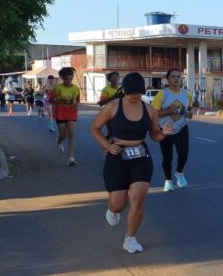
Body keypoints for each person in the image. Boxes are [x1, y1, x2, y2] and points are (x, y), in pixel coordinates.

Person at [91, 72, 172, 253]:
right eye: (131, 93)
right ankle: (113, 210)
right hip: (117, 155)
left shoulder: (149, 110)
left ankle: (130, 238)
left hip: (140, 156)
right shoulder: (112, 107)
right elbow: (95, 128)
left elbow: (155, 135)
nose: (134, 96)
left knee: (138, 199)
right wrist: (107, 146)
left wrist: (164, 133)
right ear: (124, 91)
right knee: (118, 204)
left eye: (138, 92)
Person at [152, 68, 194, 191]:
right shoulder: (162, 94)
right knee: (167, 157)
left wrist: (189, 113)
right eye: (173, 77)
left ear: (181, 79)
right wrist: (168, 112)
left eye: (178, 76)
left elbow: (189, 109)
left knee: (183, 153)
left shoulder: (187, 94)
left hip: (181, 128)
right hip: (165, 129)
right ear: (168, 79)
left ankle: (179, 172)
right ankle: (168, 181)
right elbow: (154, 113)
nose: (176, 79)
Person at [52, 67, 81, 166]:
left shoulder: (76, 88)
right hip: (60, 114)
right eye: (66, 79)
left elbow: (77, 100)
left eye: (70, 79)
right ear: (63, 78)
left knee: (71, 135)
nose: (68, 81)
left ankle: (71, 158)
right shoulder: (57, 88)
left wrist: (76, 105)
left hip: (72, 114)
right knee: (63, 136)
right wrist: (60, 101)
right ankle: (59, 140)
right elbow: (51, 100)